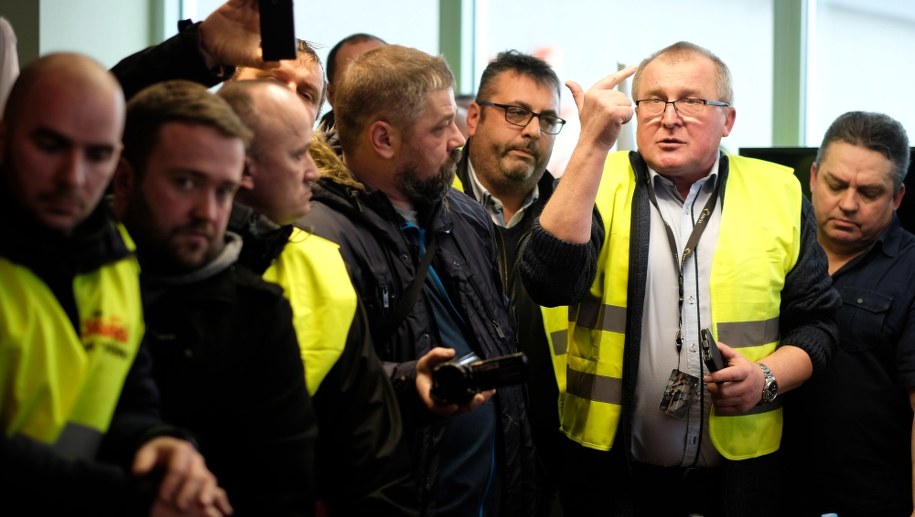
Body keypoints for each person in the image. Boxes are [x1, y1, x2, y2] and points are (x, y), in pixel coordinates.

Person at [517, 41, 841, 516]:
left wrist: (766, 379)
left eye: (690, 100)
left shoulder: (778, 192)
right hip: (612, 478)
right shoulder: (596, 182)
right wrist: (590, 143)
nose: (668, 117)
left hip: (741, 479)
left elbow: (818, 324)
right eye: (652, 100)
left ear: (727, 120)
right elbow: (547, 283)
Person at [298, 44, 537, 517]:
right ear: (383, 139)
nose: (457, 139)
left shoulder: (466, 216)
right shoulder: (318, 237)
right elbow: (319, 386)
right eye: (439, 126)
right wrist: (406, 384)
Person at [0, 52, 230, 517]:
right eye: (50, 145)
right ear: (3, 139)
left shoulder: (115, 258)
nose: (73, 177)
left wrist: (160, 443)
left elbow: (127, 397)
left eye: (97, 154)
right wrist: (133, 498)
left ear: (117, 161)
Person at [112, 79, 319, 517]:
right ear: (125, 178)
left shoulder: (260, 313)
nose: (207, 212)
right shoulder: (73, 285)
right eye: (186, 183)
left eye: (223, 191)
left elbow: (285, 488)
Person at [215, 78, 415, 516]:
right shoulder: (157, 264)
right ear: (241, 166)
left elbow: (373, 451)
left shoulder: (322, 263)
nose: (315, 170)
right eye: (295, 155)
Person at [782, 111, 915, 517]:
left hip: (869, 499)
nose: (848, 204)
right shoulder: (773, 251)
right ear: (814, 177)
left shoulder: (911, 270)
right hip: (769, 490)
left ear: (896, 198)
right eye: (836, 185)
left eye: (870, 192)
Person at [454, 49, 566, 517]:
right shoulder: (431, 207)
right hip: (458, 449)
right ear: (475, 116)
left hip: (558, 459)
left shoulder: (576, 219)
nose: (532, 131)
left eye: (547, 119)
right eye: (516, 112)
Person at [112, 0, 325, 118]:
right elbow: (107, 108)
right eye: (273, 81)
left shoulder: (315, 193)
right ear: (227, 86)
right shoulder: (169, 151)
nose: (290, 97)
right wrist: (204, 47)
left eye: (306, 95)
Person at [316, 32, 387, 133]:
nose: (370, 87)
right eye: (355, 79)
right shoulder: (300, 148)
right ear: (331, 95)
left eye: (381, 74)